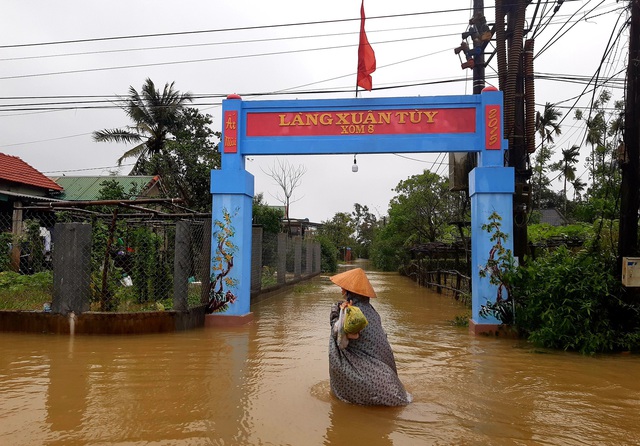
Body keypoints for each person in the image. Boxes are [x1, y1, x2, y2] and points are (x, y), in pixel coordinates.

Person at [328, 267, 412, 406]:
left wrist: (336, 314)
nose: (342, 291)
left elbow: (339, 336)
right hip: (387, 372)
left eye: (343, 289)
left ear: (350, 292)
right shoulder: (371, 311)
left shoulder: (353, 313)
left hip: (376, 377)